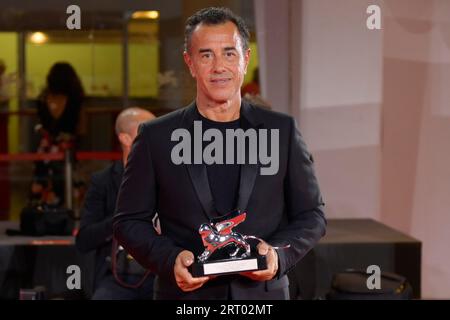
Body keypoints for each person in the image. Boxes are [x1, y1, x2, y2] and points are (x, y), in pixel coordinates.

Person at [113, 7, 326, 300]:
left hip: (262, 297)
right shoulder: (156, 137)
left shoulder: (282, 132)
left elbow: (311, 215)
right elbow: (128, 221)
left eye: (229, 53)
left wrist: (278, 256)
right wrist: (170, 259)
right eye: (206, 55)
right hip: (184, 298)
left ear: (245, 58)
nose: (218, 66)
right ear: (190, 62)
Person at [76, 107, 156, 300]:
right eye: (148, 130)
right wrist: (123, 221)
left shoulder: (171, 177)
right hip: (116, 276)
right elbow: (84, 240)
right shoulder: (103, 182)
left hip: (160, 273)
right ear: (125, 138)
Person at [31, 62, 85, 207]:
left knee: (44, 181)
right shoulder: (75, 100)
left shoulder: (42, 99)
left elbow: (41, 124)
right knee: (67, 182)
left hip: (46, 148)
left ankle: (44, 214)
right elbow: (81, 129)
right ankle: (66, 215)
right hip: (67, 148)